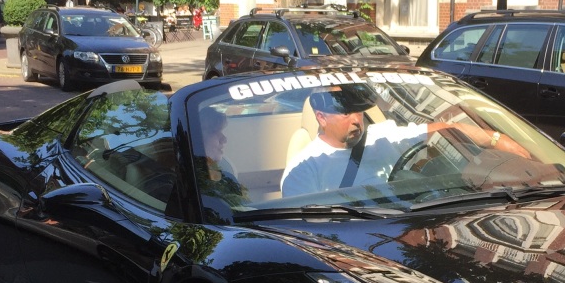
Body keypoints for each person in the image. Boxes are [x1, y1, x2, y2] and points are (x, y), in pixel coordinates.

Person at [280, 86, 528, 197]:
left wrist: (497, 139)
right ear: (321, 118)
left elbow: (446, 129)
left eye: (359, 112)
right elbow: (305, 234)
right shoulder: (302, 169)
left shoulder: (381, 137)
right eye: (346, 113)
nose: (357, 120)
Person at [195, 107, 246, 205]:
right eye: (214, 132)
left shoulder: (226, 178)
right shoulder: (191, 182)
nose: (224, 139)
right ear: (196, 137)